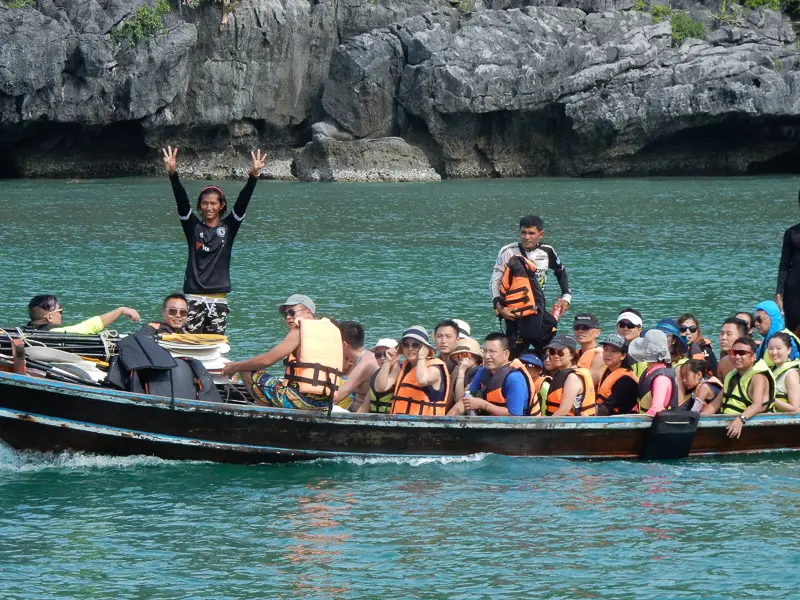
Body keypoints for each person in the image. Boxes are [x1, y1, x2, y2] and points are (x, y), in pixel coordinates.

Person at [162, 146, 266, 334]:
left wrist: (253, 176)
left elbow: (242, 203)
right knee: (190, 343)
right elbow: (182, 201)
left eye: (213, 203)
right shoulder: (193, 227)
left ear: (221, 205)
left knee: (215, 346)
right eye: (204, 203)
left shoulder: (228, 228)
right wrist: (173, 174)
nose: (208, 207)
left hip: (219, 300)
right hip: (194, 298)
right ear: (200, 206)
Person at [221, 295, 347, 411]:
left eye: (292, 312)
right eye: (285, 314)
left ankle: (264, 411)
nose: (288, 317)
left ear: (308, 313)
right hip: (326, 403)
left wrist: (235, 366)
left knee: (246, 370)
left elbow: (267, 360)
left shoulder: (300, 330)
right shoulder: (331, 332)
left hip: (300, 401)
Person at [491, 215, 570, 357]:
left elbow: (560, 271)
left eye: (531, 233)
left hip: (537, 310)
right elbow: (495, 281)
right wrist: (499, 308)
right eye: (523, 233)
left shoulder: (547, 251)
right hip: (513, 311)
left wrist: (566, 296)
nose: (527, 237)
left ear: (541, 234)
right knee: (515, 353)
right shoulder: (507, 251)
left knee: (548, 351)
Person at [702, 337, 775, 439]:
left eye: (742, 353)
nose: (736, 356)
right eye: (734, 352)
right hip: (726, 423)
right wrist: (699, 420)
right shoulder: (731, 376)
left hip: (747, 426)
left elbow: (757, 405)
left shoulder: (758, 377)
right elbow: (715, 404)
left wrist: (740, 419)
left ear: (753, 356)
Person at [447, 333, 533, 416]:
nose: (487, 356)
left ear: (506, 354)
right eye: (485, 351)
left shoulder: (514, 378)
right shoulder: (483, 372)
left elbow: (514, 414)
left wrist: (483, 405)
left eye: (492, 352)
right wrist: (446, 422)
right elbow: (465, 400)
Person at [376, 326, 450, 416]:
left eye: (415, 345)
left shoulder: (435, 367)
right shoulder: (404, 367)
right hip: (400, 424)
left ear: (424, 348)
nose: (410, 348)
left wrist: (422, 357)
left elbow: (422, 380)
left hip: (426, 426)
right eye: (406, 344)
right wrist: (388, 362)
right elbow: (380, 388)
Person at [26, 294, 140, 334]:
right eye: (60, 311)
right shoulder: (55, 332)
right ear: (49, 317)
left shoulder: (27, 331)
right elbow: (89, 327)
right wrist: (121, 310)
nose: (61, 314)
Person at [628, 329, 679, 416]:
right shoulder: (649, 371)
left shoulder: (661, 379)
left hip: (656, 426)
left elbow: (656, 409)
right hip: (643, 417)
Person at [543, 334, 596, 416]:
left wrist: (545, 426)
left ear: (572, 355)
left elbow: (564, 410)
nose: (555, 356)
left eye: (560, 353)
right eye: (552, 352)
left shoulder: (573, 377)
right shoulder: (561, 373)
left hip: (572, 425)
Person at [335, 321, 379, 412]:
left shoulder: (364, 366)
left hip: (359, 415)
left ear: (344, 345)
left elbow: (336, 398)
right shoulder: (369, 356)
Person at [595, 334, 638, 416]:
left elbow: (606, 408)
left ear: (623, 356)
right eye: (605, 349)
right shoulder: (608, 371)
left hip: (623, 421)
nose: (607, 354)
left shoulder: (626, 380)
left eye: (613, 351)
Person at [776, 191, 800, 333]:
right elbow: (784, 264)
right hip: (794, 292)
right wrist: (779, 293)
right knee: (793, 333)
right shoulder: (792, 233)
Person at [753, 300, 800, 366]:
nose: (756, 323)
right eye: (755, 319)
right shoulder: (764, 341)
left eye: (759, 319)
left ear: (773, 318)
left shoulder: (788, 339)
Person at [362, 338, 398, 414]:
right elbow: (364, 407)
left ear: (398, 356)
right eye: (378, 355)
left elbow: (381, 388)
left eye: (387, 354)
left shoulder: (399, 373)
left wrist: (388, 362)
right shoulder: (376, 375)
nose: (382, 358)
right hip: (374, 419)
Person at [767, 332, 800, 413]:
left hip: (784, 423)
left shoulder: (791, 374)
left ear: (789, 350)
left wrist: (768, 399)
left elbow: (795, 408)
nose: (774, 352)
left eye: (778, 348)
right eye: (770, 348)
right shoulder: (771, 370)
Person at [450, 337, 484, 405]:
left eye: (465, 355)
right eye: (458, 356)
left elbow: (460, 400)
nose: (461, 358)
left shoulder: (479, 372)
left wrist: (461, 372)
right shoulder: (457, 370)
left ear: (476, 357)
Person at [573, 313, 605, 384]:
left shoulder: (600, 356)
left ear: (597, 332)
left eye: (585, 328)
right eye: (577, 328)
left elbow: (589, 383)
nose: (580, 331)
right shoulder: (574, 354)